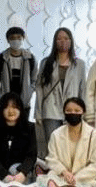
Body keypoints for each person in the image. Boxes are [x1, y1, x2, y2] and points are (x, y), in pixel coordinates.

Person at [35, 27, 87, 155]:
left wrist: (83, 113)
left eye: (66, 38)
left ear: (71, 41)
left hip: (72, 110)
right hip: (50, 110)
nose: (63, 41)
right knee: (53, 146)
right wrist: (38, 113)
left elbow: (82, 89)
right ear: (54, 42)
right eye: (59, 39)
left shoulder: (79, 64)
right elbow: (40, 89)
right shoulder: (46, 62)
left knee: (70, 146)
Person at [45, 97, 96, 185]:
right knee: (50, 180)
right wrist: (64, 172)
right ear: (64, 112)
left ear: (83, 112)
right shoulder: (56, 135)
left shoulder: (95, 136)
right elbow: (51, 159)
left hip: (85, 179)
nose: (73, 113)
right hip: (61, 177)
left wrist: (76, 178)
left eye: (77, 111)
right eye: (68, 110)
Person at [0, 93, 38, 183]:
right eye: (6, 107)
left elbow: (31, 155)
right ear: (1, 109)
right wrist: (4, 175)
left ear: (20, 108)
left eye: (14, 107)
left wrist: (23, 172)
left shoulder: (29, 128)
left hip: (20, 176)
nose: (11, 111)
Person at [0, 26, 37, 111]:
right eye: (12, 38)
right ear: (8, 40)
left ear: (23, 38)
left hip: (24, 103)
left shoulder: (30, 58)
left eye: (19, 38)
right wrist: (1, 93)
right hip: (6, 103)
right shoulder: (0, 58)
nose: (16, 40)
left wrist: (29, 93)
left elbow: (35, 79)